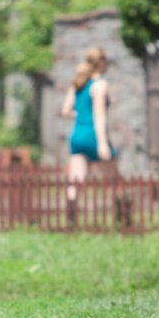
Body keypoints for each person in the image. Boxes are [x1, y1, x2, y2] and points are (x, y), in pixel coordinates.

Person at [60, 47, 113, 222]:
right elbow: (100, 116)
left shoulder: (78, 83)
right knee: (114, 180)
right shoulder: (100, 85)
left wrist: (80, 115)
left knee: (76, 180)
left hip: (77, 135)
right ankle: (120, 216)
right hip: (93, 135)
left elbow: (65, 110)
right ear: (102, 63)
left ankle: (71, 217)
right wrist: (103, 143)